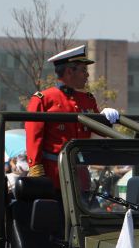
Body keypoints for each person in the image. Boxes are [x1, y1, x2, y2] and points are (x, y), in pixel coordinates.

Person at [24, 45, 119, 190]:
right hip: (54, 175)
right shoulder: (43, 99)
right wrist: (36, 170)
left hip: (80, 175)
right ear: (69, 71)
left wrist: (106, 118)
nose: (87, 75)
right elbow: (34, 138)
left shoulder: (87, 99)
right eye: (83, 70)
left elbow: (101, 131)